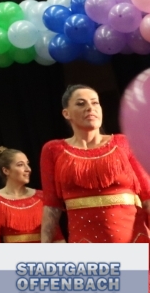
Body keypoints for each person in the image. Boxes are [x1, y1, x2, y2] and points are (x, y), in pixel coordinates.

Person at [41, 84, 150, 245]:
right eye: (81, 103)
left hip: (134, 241)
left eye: (95, 103)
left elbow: (148, 195)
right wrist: (44, 248)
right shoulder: (53, 150)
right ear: (66, 113)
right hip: (85, 245)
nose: (90, 108)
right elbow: (51, 205)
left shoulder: (124, 142)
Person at [0, 146, 62, 243]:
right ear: (6, 170)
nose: (28, 169)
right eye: (20, 165)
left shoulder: (42, 196)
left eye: (27, 164)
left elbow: (57, 236)